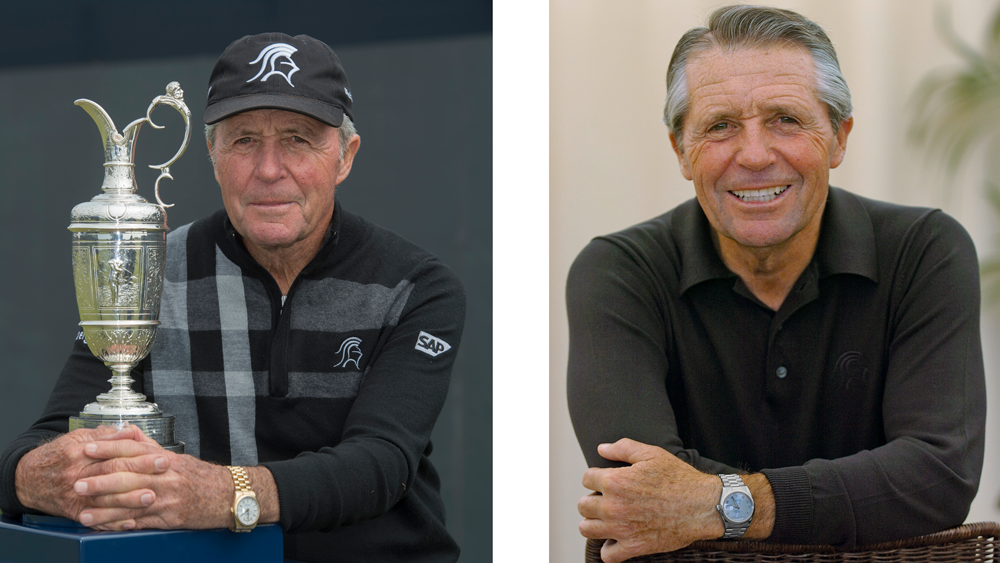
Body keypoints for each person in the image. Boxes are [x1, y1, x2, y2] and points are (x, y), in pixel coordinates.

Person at [0, 32, 465, 563]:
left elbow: (379, 465)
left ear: (344, 156)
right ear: (212, 155)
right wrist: (38, 479)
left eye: (298, 138)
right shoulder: (152, 271)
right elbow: (44, 440)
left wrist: (225, 495)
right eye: (243, 140)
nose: (269, 169)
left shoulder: (415, 285)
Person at [566, 6, 986, 563]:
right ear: (680, 151)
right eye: (720, 126)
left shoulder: (924, 250)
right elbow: (637, 491)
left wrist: (720, 503)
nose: (756, 155)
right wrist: (856, 498)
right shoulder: (618, 272)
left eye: (785, 119)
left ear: (838, 138)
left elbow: (937, 478)